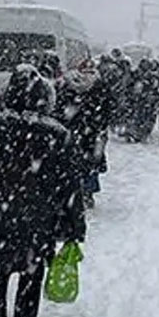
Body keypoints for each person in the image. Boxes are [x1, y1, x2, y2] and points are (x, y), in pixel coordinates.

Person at [0, 65, 87, 317]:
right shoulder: (57, 134)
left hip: (0, 210)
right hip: (39, 215)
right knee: (31, 267)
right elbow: (70, 185)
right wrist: (75, 225)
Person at [54, 58, 118, 208]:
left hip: (75, 130)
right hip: (92, 132)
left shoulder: (69, 85)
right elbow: (110, 108)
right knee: (90, 163)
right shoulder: (100, 86)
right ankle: (86, 192)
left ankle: (77, 191)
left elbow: (59, 108)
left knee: (75, 161)